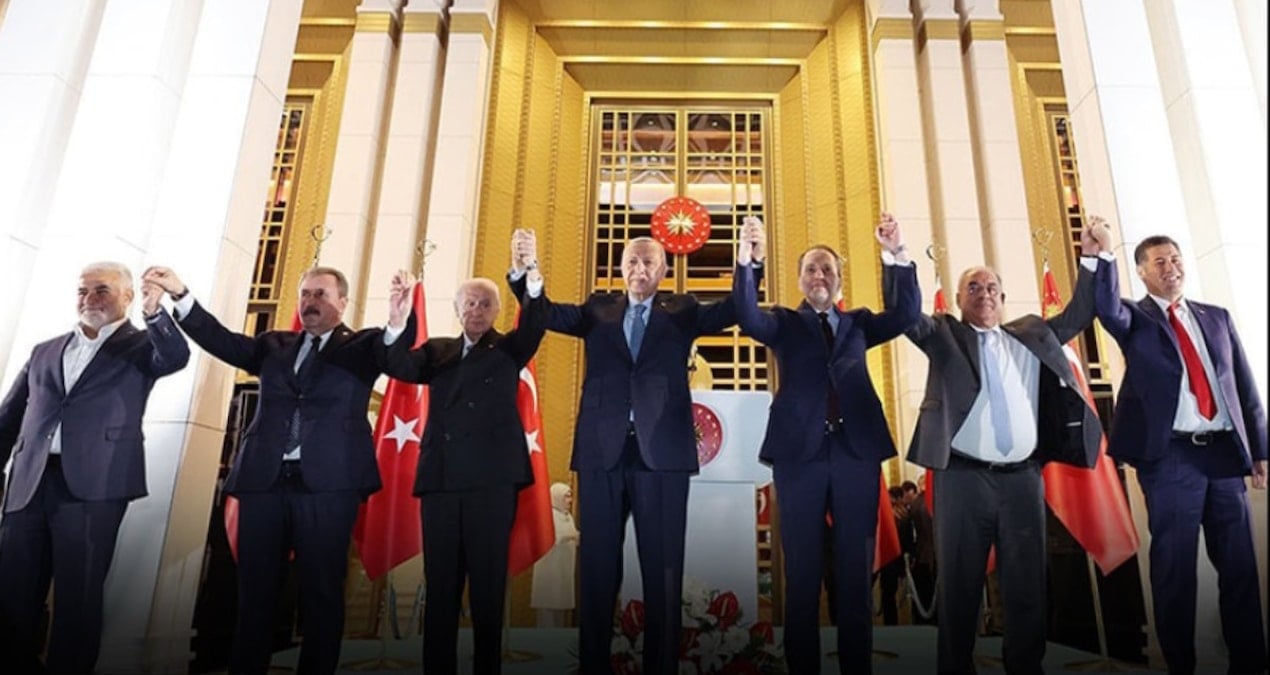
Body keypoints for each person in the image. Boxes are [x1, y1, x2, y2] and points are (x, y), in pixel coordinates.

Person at [508, 229, 763, 675]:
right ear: (621, 268)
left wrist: (747, 263)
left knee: (663, 570)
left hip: (661, 455)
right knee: (597, 570)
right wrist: (528, 270)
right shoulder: (597, 309)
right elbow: (544, 312)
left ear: (663, 270)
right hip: (601, 453)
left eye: (648, 262)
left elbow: (734, 310)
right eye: (631, 261)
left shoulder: (682, 310)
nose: (639, 269)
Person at [142, 264, 410, 675]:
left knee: (321, 593)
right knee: (255, 593)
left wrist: (397, 321)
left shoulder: (363, 346)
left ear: (343, 302)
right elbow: (221, 340)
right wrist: (180, 294)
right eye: (305, 294)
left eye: (321, 294)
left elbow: (394, 355)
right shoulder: (274, 344)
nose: (310, 302)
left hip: (328, 487)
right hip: (264, 483)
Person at [903, 223, 1109, 675]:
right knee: (959, 584)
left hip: (1022, 479)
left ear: (1003, 297)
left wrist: (1093, 259)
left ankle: (1026, 667)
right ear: (959, 300)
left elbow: (1079, 313)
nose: (984, 293)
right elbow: (906, 315)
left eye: (991, 287)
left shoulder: (1031, 334)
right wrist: (897, 256)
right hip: (963, 478)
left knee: (1027, 585)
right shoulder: (944, 334)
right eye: (973, 288)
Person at [733, 213, 919, 674]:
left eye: (828, 270)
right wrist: (748, 262)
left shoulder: (859, 322)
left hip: (855, 454)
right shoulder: (783, 322)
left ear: (839, 281)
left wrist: (897, 254)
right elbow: (747, 315)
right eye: (811, 269)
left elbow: (906, 315)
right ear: (800, 279)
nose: (820, 276)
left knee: (856, 573)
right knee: (801, 572)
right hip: (799, 456)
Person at [1089, 221, 1266, 675]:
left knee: (1240, 568)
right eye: (1159, 262)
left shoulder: (1216, 316)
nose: (1171, 267)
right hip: (1171, 458)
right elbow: (1105, 307)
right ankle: (1180, 666)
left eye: (1175, 258)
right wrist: (1103, 255)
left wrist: (1260, 448)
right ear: (1142, 272)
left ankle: (1249, 663)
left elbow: (1243, 385)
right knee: (1174, 571)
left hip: (1223, 456)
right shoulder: (1135, 317)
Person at [0, 262, 189, 674]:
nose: (89, 299)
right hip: (28, 485)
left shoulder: (142, 346)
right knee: (11, 597)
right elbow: (9, 416)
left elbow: (176, 357)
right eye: (83, 290)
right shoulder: (45, 350)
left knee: (78, 598)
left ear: (127, 297)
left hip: (94, 490)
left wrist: (155, 311)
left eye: (101, 290)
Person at [381, 243, 547, 675]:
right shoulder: (437, 351)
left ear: (496, 311)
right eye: (469, 303)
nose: (476, 309)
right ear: (456, 310)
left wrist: (529, 271)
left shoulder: (510, 349)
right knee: (441, 587)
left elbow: (535, 322)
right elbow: (398, 366)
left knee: (488, 589)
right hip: (441, 481)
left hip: (491, 484)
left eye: (485, 303)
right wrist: (398, 319)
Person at [531, 482, 580, 627]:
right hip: (549, 570)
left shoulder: (568, 516)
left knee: (560, 609)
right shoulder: (547, 515)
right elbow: (552, 538)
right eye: (566, 497)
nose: (569, 500)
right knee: (547, 609)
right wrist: (572, 535)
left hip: (563, 569)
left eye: (570, 496)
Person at [900, 479, 935, 625]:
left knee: (923, 595)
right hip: (933, 555)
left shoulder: (915, 505)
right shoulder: (930, 503)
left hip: (921, 555)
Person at [879, 486, 909, 626]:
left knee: (888, 594)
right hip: (896, 559)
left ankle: (890, 622)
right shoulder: (903, 516)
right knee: (892, 593)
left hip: (885, 559)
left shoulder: (884, 515)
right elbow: (906, 541)